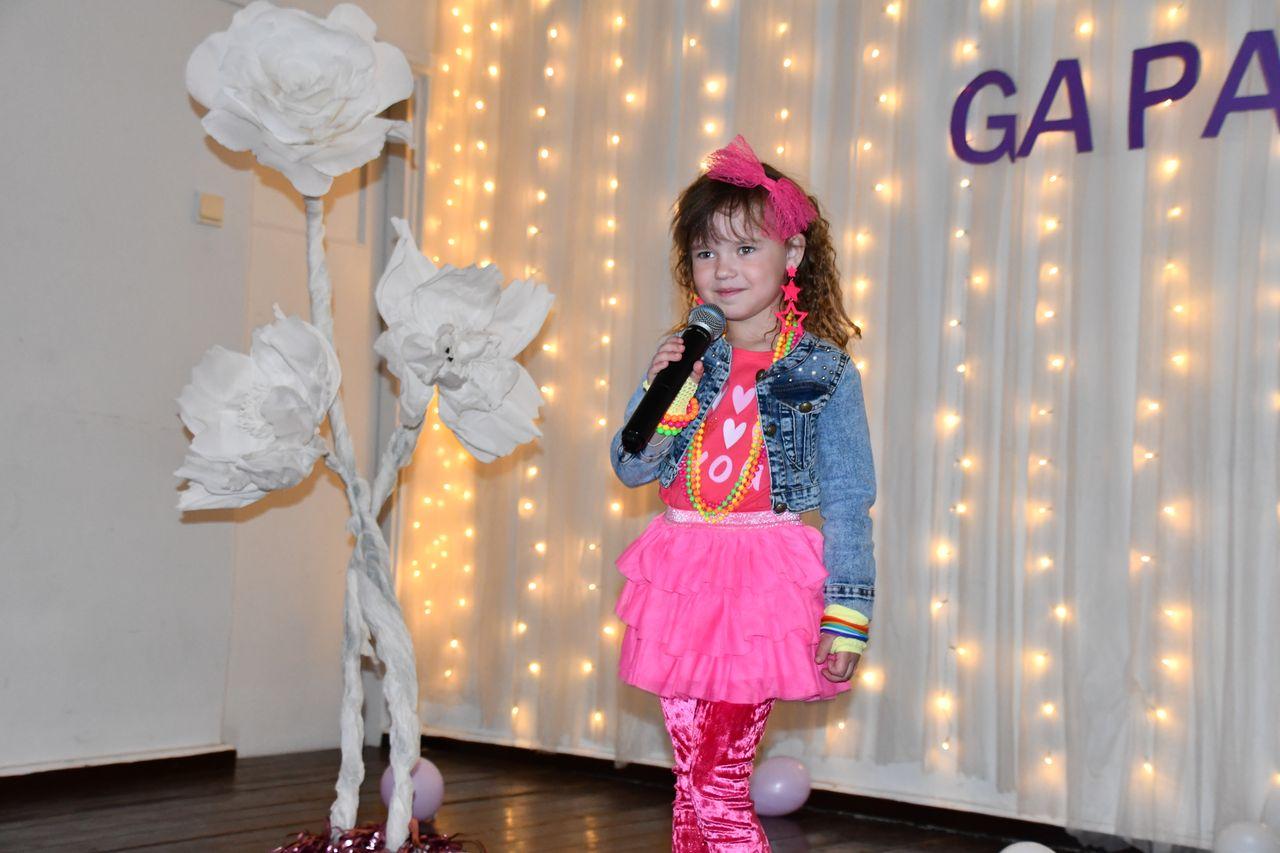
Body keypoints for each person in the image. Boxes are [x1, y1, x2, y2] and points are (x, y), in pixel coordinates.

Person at [608, 135, 877, 851]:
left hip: (759, 590)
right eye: (705, 252)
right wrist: (666, 389)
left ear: (792, 255)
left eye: (745, 248)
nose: (722, 269)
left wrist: (847, 615)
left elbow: (848, 499)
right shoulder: (687, 356)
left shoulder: (824, 371)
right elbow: (631, 467)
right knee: (692, 786)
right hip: (683, 581)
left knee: (719, 784)